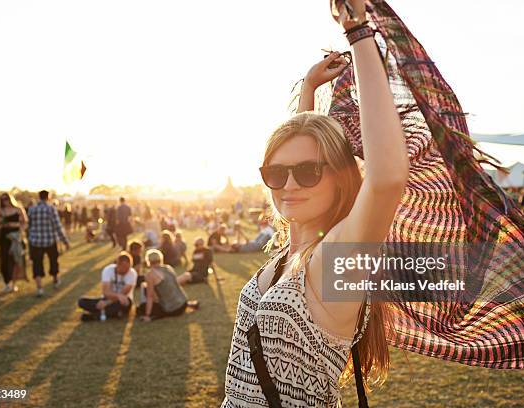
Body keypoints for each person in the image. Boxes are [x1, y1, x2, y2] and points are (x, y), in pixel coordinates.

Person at [221, 2, 409, 406]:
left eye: (306, 172)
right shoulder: (292, 249)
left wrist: (357, 32)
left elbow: (388, 178)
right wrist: (308, 91)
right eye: (275, 172)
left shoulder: (334, 261)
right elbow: (303, 155)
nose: (288, 184)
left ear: (338, 178)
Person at [27, 190, 70, 297]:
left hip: (35, 241)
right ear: (48, 197)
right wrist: (65, 241)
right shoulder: (51, 209)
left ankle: (39, 288)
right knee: (53, 261)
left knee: (37, 264)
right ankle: (55, 281)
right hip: (50, 240)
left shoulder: (32, 209)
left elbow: (29, 226)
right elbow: (58, 226)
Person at [138, 249, 199, 322]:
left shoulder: (150, 275)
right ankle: (189, 304)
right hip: (183, 303)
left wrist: (147, 315)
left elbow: (150, 296)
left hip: (172, 309)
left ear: (148, 261)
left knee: (141, 306)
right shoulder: (168, 268)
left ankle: (152, 316)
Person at [77, 252, 137, 321]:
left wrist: (107, 302)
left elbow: (123, 293)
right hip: (108, 298)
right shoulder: (108, 270)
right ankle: (109, 312)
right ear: (118, 264)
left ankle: (94, 316)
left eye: (128, 267)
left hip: (123, 301)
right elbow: (106, 292)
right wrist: (110, 299)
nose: (127, 270)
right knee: (82, 301)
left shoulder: (132, 273)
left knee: (122, 303)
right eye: (124, 267)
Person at [0, 193, 28, 293]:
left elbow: (25, 223)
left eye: (6, 199)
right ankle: (7, 283)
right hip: (4, 237)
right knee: (3, 261)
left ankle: (13, 284)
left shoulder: (18, 209)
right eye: (3, 199)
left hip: (15, 237)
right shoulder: (0, 211)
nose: (5, 201)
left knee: (15, 260)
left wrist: (16, 227)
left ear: (10, 199)